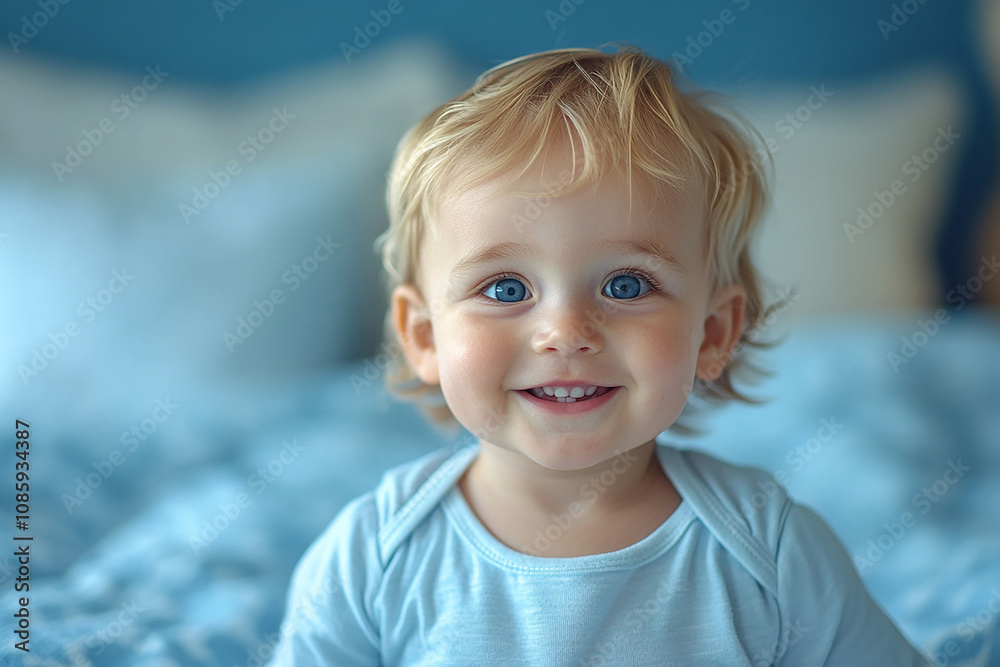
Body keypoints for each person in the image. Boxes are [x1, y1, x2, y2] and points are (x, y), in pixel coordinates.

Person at [269, 46, 930, 665]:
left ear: (713, 334)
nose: (565, 331)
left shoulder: (768, 552)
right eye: (505, 288)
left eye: (626, 285)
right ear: (423, 336)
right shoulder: (372, 556)